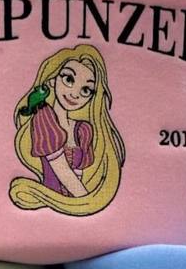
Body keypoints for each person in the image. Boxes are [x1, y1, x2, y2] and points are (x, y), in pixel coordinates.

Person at [9, 44, 125, 215]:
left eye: (86, 90)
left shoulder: (83, 130)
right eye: (69, 79)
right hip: (57, 205)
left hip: (75, 206)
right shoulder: (44, 119)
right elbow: (63, 172)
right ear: (52, 80)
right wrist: (87, 204)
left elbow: (77, 174)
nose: (75, 94)